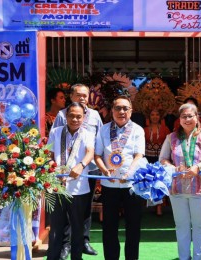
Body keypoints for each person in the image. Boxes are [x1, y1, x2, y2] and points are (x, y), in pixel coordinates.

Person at [159, 103, 201, 260]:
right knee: (182, 226)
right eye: (183, 116)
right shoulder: (170, 137)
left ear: (196, 117)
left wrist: (198, 167)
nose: (187, 119)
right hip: (177, 189)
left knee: (200, 226)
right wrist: (172, 167)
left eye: (190, 116)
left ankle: (198, 257)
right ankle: (184, 257)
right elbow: (163, 159)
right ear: (179, 119)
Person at [51, 83, 103, 258]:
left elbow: (96, 144)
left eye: (85, 95)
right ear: (71, 97)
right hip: (60, 176)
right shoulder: (60, 119)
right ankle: (63, 246)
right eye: (78, 95)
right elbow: (52, 148)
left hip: (87, 171)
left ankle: (83, 243)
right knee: (60, 218)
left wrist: (87, 164)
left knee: (82, 211)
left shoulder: (94, 116)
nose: (82, 98)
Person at [94, 95, 145, 260]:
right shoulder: (103, 129)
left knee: (133, 227)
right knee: (109, 227)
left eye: (125, 108)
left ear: (131, 111)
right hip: (110, 186)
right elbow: (97, 155)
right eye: (118, 108)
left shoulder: (138, 130)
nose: (121, 111)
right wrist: (103, 169)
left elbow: (139, 155)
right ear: (112, 111)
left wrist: (129, 172)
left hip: (132, 186)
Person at [46, 102, 95, 260]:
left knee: (78, 227)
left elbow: (90, 152)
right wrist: (51, 166)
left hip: (78, 188)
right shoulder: (56, 131)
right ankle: (52, 257)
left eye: (79, 116)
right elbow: (49, 154)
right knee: (56, 228)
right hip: (57, 187)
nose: (75, 119)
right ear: (66, 116)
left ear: (84, 117)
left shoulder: (87, 133)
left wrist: (81, 165)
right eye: (72, 116)